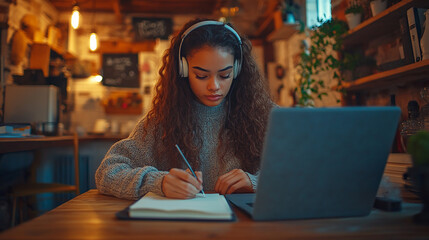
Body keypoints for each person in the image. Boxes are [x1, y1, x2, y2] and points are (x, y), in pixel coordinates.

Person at [95, 18, 274, 200]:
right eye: (202, 76)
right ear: (183, 70)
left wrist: (257, 182)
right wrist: (159, 182)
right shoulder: (162, 122)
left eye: (225, 75)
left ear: (237, 70)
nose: (214, 86)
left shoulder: (266, 117)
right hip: (183, 226)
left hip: (246, 227)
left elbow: (300, 172)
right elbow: (107, 172)